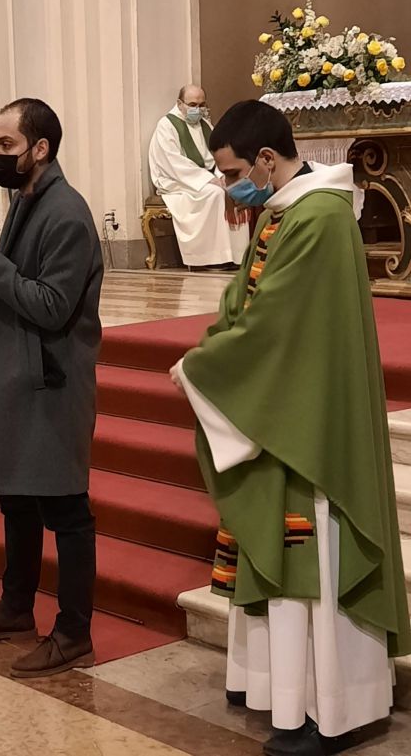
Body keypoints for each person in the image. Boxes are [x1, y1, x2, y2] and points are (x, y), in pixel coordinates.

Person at [170, 100, 410, 756]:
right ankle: (280, 689)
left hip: (311, 421)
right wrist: (215, 345)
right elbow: (244, 301)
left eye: (231, 172)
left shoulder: (319, 218)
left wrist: (205, 366)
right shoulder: (281, 211)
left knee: (315, 555)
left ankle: (328, 707)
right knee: (280, 549)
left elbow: (277, 321)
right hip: (281, 408)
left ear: (267, 160)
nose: (227, 186)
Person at [0, 98, 103, 679]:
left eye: (6, 145)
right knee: (17, 496)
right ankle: (15, 608)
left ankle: (74, 631)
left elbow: (53, 307)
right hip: (17, 375)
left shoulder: (66, 213)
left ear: (41, 149)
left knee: (65, 507)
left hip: (51, 379)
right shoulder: (24, 200)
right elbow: (12, 288)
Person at [149, 84, 249, 270]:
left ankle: (237, 255)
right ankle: (210, 258)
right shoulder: (167, 125)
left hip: (203, 177)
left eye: (202, 105)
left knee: (234, 189)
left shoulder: (206, 125)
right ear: (180, 103)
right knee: (214, 194)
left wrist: (223, 177)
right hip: (176, 180)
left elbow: (217, 157)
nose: (198, 110)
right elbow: (172, 162)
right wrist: (208, 179)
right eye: (193, 104)